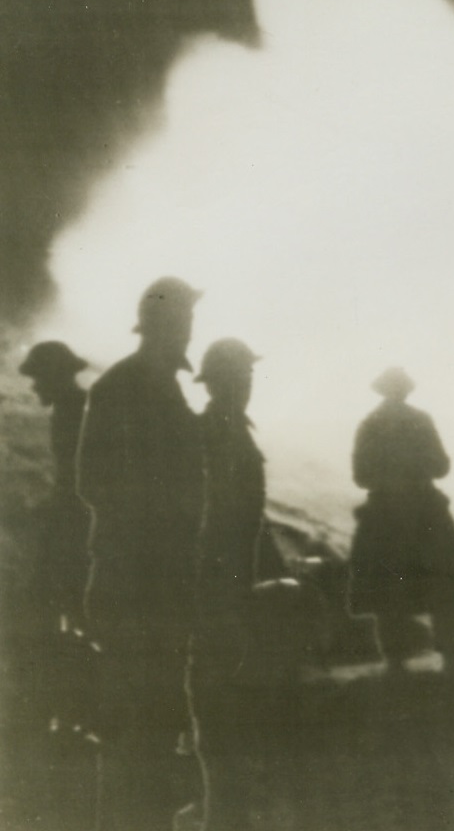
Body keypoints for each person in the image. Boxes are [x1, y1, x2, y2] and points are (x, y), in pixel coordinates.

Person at [77, 276, 205, 830]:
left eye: (188, 319)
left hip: (165, 575)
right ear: (158, 325)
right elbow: (92, 479)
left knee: (157, 714)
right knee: (134, 722)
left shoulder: (166, 385)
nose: (187, 329)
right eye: (180, 319)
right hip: (133, 578)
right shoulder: (120, 387)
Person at [347, 367, 454, 674]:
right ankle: (451, 660)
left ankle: (395, 663)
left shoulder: (369, 424)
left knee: (388, 590)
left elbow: (360, 476)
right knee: (443, 587)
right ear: (406, 390)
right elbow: (441, 466)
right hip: (424, 512)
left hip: (384, 516)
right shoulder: (420, 421)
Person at [187, 338, 266, 831]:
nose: (247, 385)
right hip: (217, 588)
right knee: (220, 710)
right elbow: (214, 522)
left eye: (249, 377)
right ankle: (220, 816)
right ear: (219, 383)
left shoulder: (229, 428)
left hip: (230, 586)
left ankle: (220, 810)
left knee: (227, 710)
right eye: (240, 377)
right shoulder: (213, 433)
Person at [18, 341, 92, 632]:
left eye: (38, 378)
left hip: (78, 519)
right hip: (73, 514)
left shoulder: (74, 412)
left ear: (55, 376)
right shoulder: (71, 407)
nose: (34, 387)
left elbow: (80, 475)